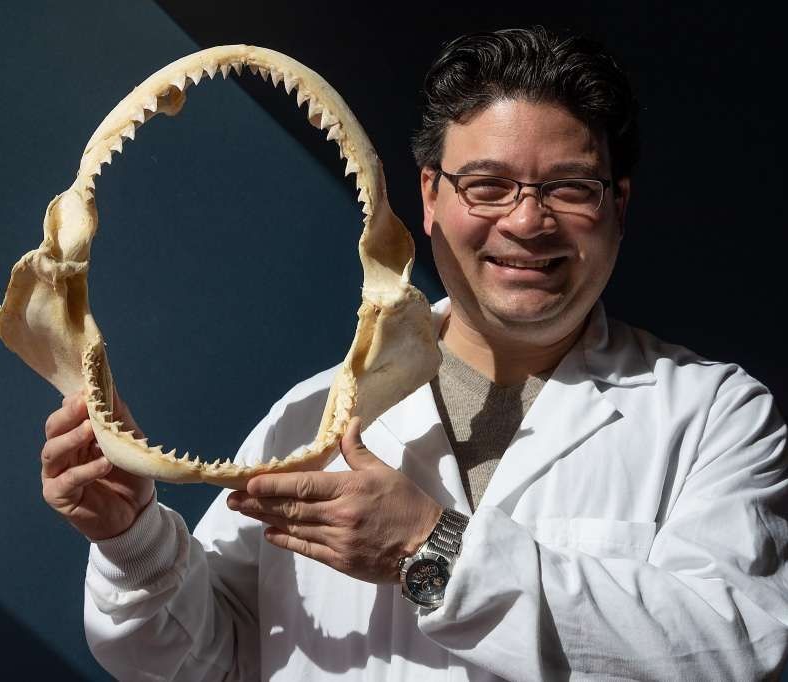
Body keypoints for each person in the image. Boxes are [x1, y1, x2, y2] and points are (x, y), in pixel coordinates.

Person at [40, 27, 788, 680]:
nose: (527, 221)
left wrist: (431, 549)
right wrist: (131, 539)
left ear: (617, 208)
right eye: (487, 185)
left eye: (569, 188)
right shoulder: (304, 419)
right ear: (428, 197)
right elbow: (205, 666)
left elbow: (735, 652)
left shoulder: (714, 415)